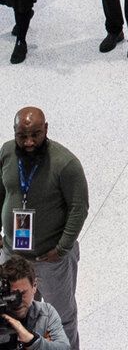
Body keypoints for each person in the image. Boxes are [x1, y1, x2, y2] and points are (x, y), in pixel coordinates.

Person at [0, 110, 85, 346]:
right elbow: (1, 192)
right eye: (22, 136)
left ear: (46, 129)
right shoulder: (6, 152)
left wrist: (62, 248)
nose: (29, 142)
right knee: (14, 312)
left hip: (50, 259)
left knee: (62, 316)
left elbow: (79, 208)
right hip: (13, 257)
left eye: (35, 135)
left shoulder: (65, 163)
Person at [0, 257, 69, 349]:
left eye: (23, 293)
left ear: (34, 286)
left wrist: (31, 340)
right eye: (11, 296)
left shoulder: (46, 312)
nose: (18, 301)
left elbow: (64, 347)